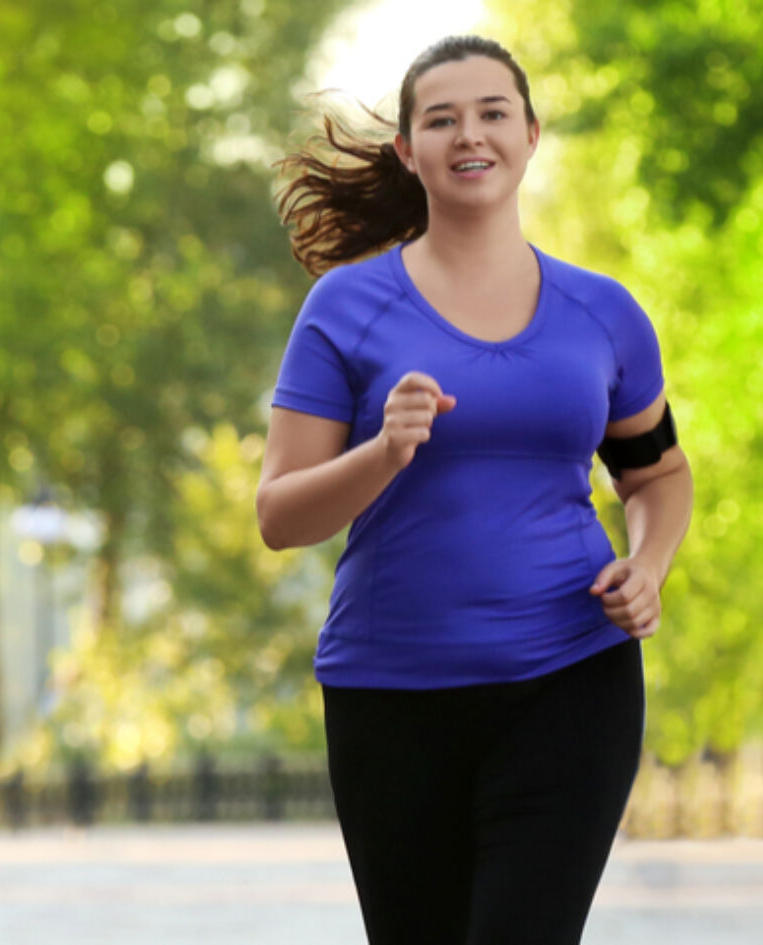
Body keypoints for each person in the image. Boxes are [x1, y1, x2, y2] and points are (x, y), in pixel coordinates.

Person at [256, 35, 695, 945]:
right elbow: (280, 514)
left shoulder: (603, 313)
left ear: (531, 135)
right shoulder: (345, 308)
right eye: (442, 118)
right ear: (407, 152)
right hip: (391, 693)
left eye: (494, 112)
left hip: (571, 677)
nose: (472, 134)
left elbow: (655, 471)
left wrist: (649, 563)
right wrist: (382, 452)